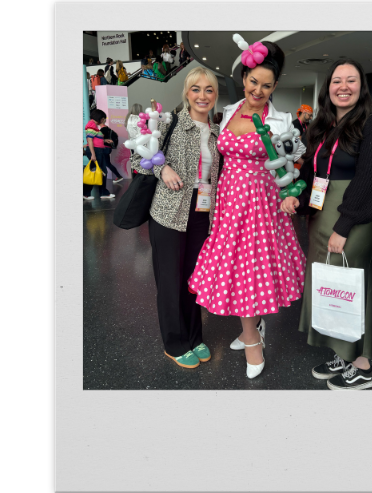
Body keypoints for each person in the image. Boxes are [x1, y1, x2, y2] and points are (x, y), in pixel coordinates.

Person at [188, 39, 307, 379]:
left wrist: (290, 192)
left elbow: (292, 162)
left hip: (262, 204)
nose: (258, 90)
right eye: (253, 82)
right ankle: (249, 330)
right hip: (229, 203)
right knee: (237, 266)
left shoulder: (283, 121)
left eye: (266, 85)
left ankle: (253, 340)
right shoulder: (229, 112)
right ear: (244, 78)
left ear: (275, 86)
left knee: (252, 269)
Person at [281, 58, 372, 390]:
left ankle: (363, 363)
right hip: (320, 216)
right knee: (330, 285)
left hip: (353, 218)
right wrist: (297, 199)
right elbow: (312, 174)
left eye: (351, 80)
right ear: (327, 88)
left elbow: (371, 180)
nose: (343, 86)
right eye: (336, 81)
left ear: (362, 87)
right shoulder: (321, 126)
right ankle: (343, 354)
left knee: (352, 283)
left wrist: (344, 226)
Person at [132, 67, 222, 369]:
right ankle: (174, 342)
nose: (202, 96)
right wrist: (162, 169)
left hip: (201, 213)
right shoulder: (169, 123)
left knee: (193, 281)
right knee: (170, 280)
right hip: (168, 213)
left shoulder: (216, 133)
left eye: (208, 90)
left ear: (215, 96)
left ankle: (195, 337)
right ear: (186, 92)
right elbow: (137, 156)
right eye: (196, 89)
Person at [84, 109, 116, 200]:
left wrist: (105, 140)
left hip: (98, 151)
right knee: (100, 172)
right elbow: (90, 140)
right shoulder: (91, 125)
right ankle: (100, 193)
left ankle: (91, 193)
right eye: (103, 119)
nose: (103, 121)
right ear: (99, 118)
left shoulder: (93, 125)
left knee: (97, 172)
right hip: (96, 151)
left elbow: (94, 139)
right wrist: (93, 154)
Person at [125, 103, 143, 179]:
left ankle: (134, 176)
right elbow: (140, 133)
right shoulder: (138, 119)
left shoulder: (128, 119)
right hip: (139, 142)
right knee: (140, 161)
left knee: (133, 160)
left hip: (131, 142)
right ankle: (139, 177)